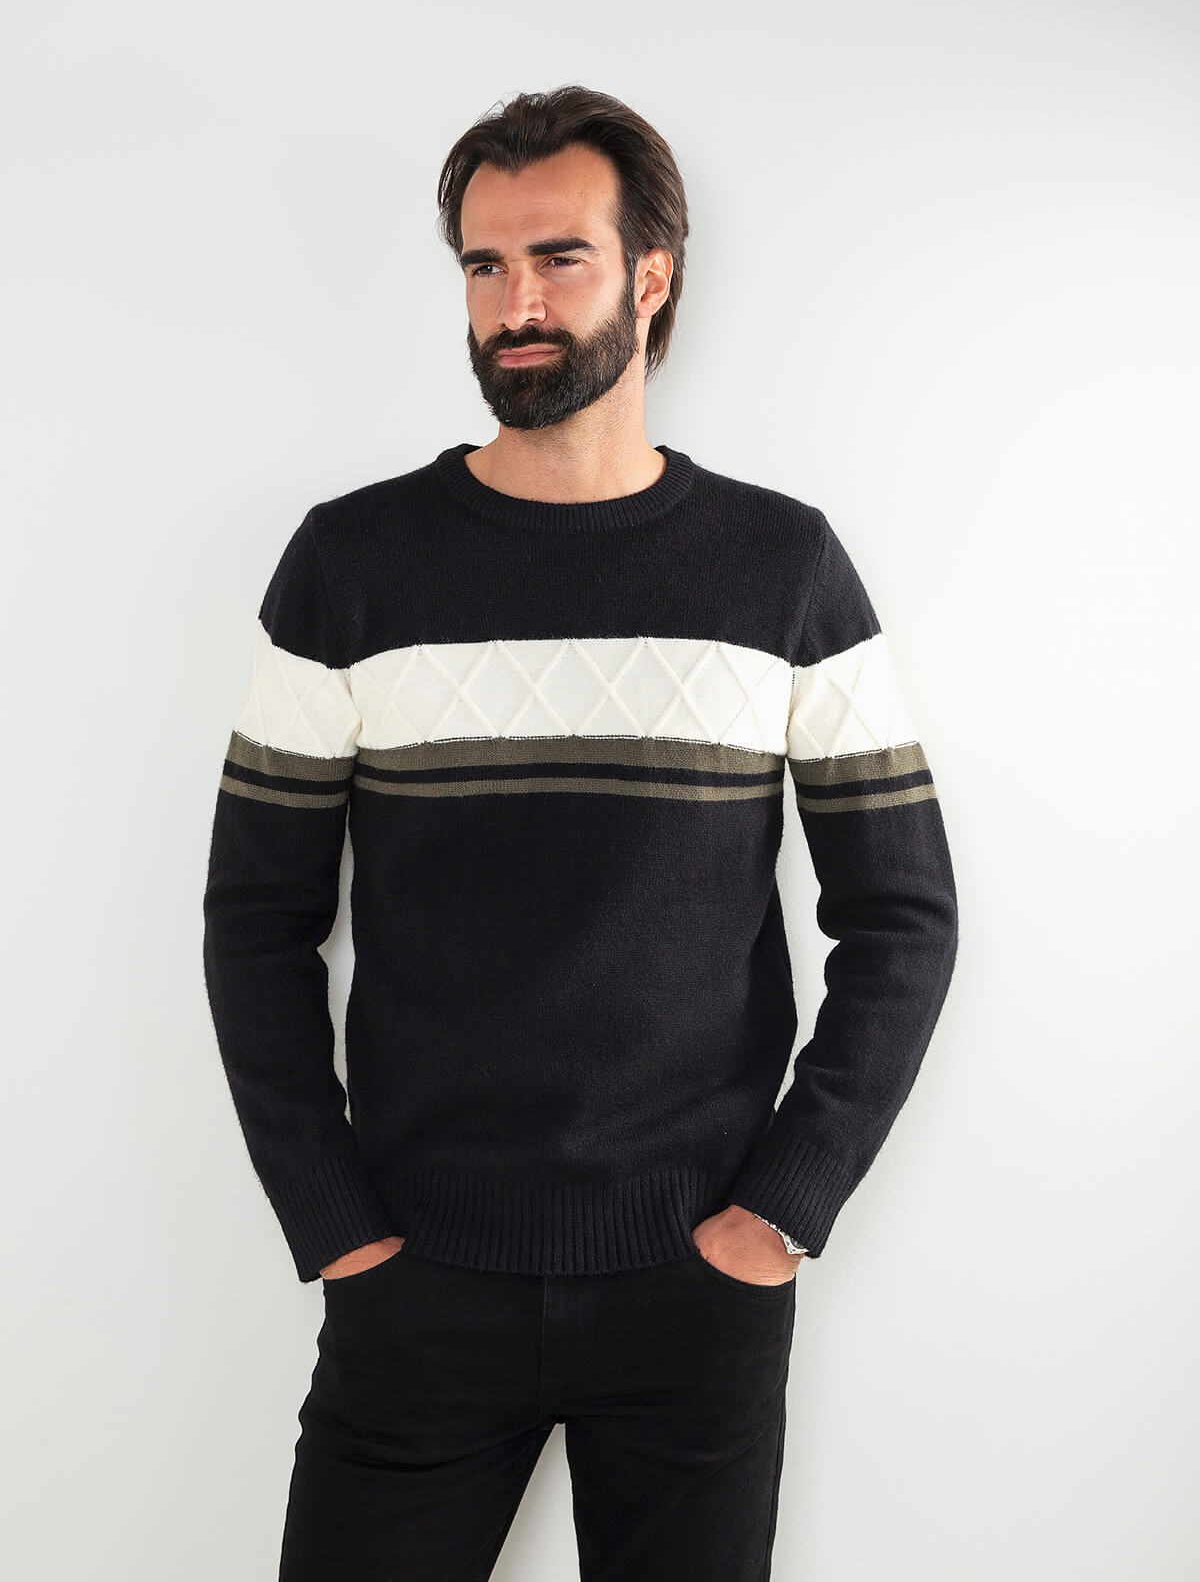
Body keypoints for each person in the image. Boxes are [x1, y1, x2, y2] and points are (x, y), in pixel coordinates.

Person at [202, 84, 959, 1582]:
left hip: (697, 1288)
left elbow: (905, 914)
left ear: (652, 277)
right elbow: (255, 920)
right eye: (484, 266)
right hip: (418, 1281)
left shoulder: (784, 567)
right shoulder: (350, 564)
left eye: (559, 258)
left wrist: (780, 1213)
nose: (517, 306)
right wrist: (335, 1225)